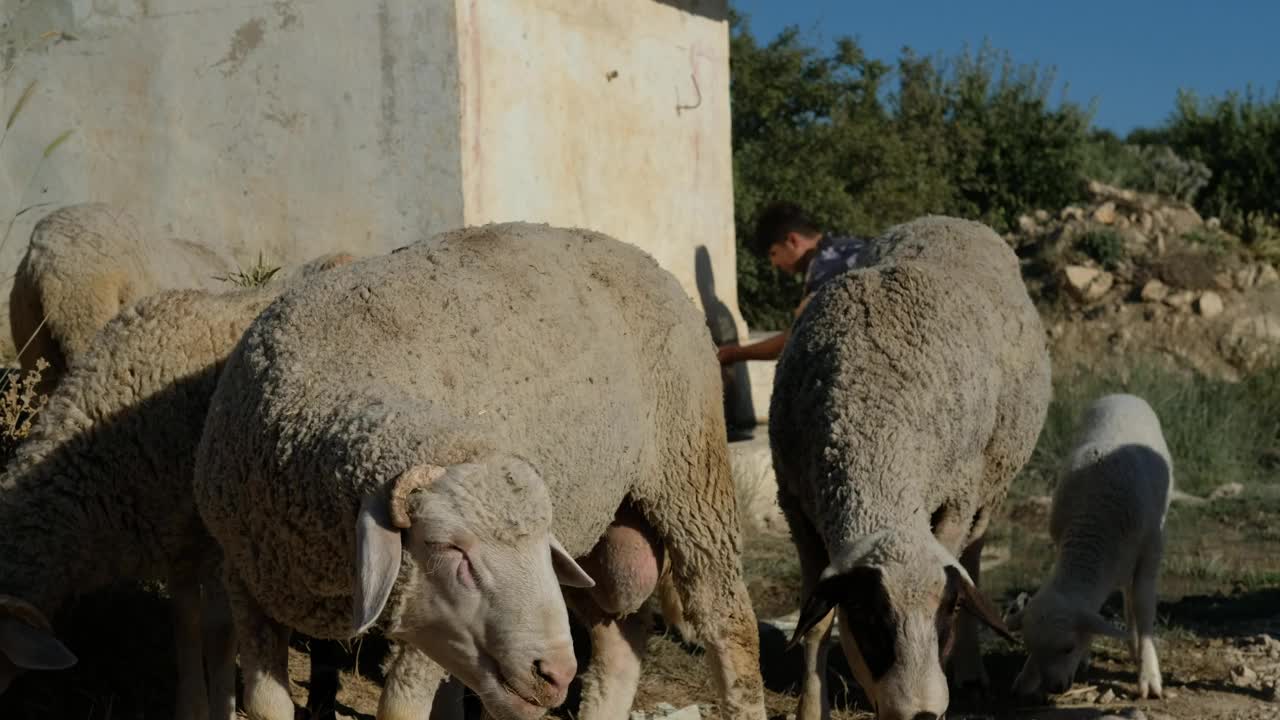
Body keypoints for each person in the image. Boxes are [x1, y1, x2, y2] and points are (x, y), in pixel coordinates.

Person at [717, 201, 871, 366]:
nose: (774, 263)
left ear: (792, 240)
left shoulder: (824, 267)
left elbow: (799, 337)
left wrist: (733, 353)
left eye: (773, 253)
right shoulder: (848, 245)